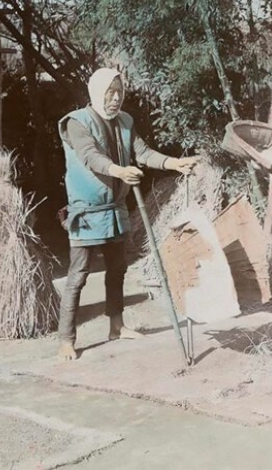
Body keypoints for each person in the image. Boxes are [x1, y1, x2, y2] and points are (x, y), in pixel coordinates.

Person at [56, 68, 199, 361]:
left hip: (116, 209)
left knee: (117, 269)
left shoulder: (125, 121)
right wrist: (120, 171)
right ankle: (66, 339)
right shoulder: (76, 122)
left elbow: (142, 153)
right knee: (78, 276)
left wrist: (173, 163)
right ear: (96, 93)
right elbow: (89, 156)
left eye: (119, 92)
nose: (115, 98)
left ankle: (116, 326)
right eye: (109, 93)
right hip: (86, 213)